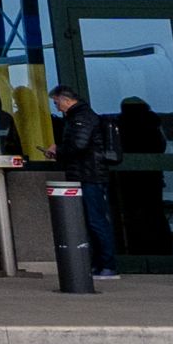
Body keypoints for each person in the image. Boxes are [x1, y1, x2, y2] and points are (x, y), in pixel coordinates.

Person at [47, 83, 115, 281]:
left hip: (90, 175)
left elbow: (79, 144)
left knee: (96, 221)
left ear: (66, 100)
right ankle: (100, 265)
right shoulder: (78, 117)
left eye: (56, 102)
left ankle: (107, 265)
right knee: (92, 220)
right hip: (86, 174)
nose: (56, 106)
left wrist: (58, 150)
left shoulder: (81, 118)